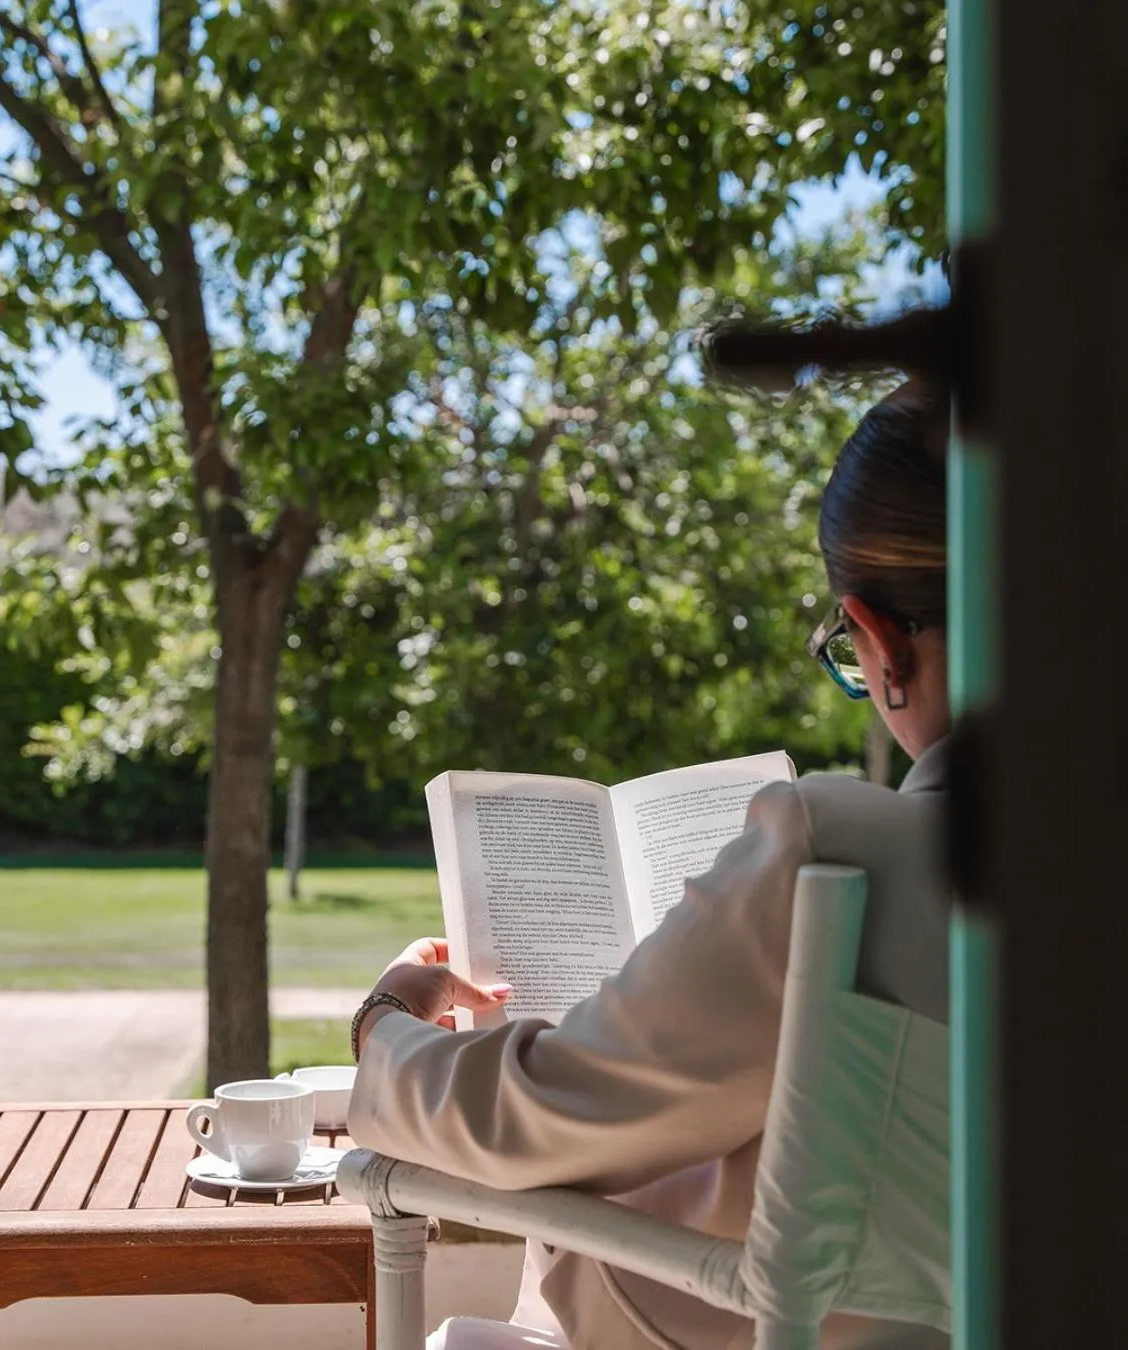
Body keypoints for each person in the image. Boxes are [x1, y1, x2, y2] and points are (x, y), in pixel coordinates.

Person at [347, 381, 953, 1350]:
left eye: (846, 651)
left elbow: (537, 1120)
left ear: (878, 639)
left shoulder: (839, 855)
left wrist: (383, 1033)